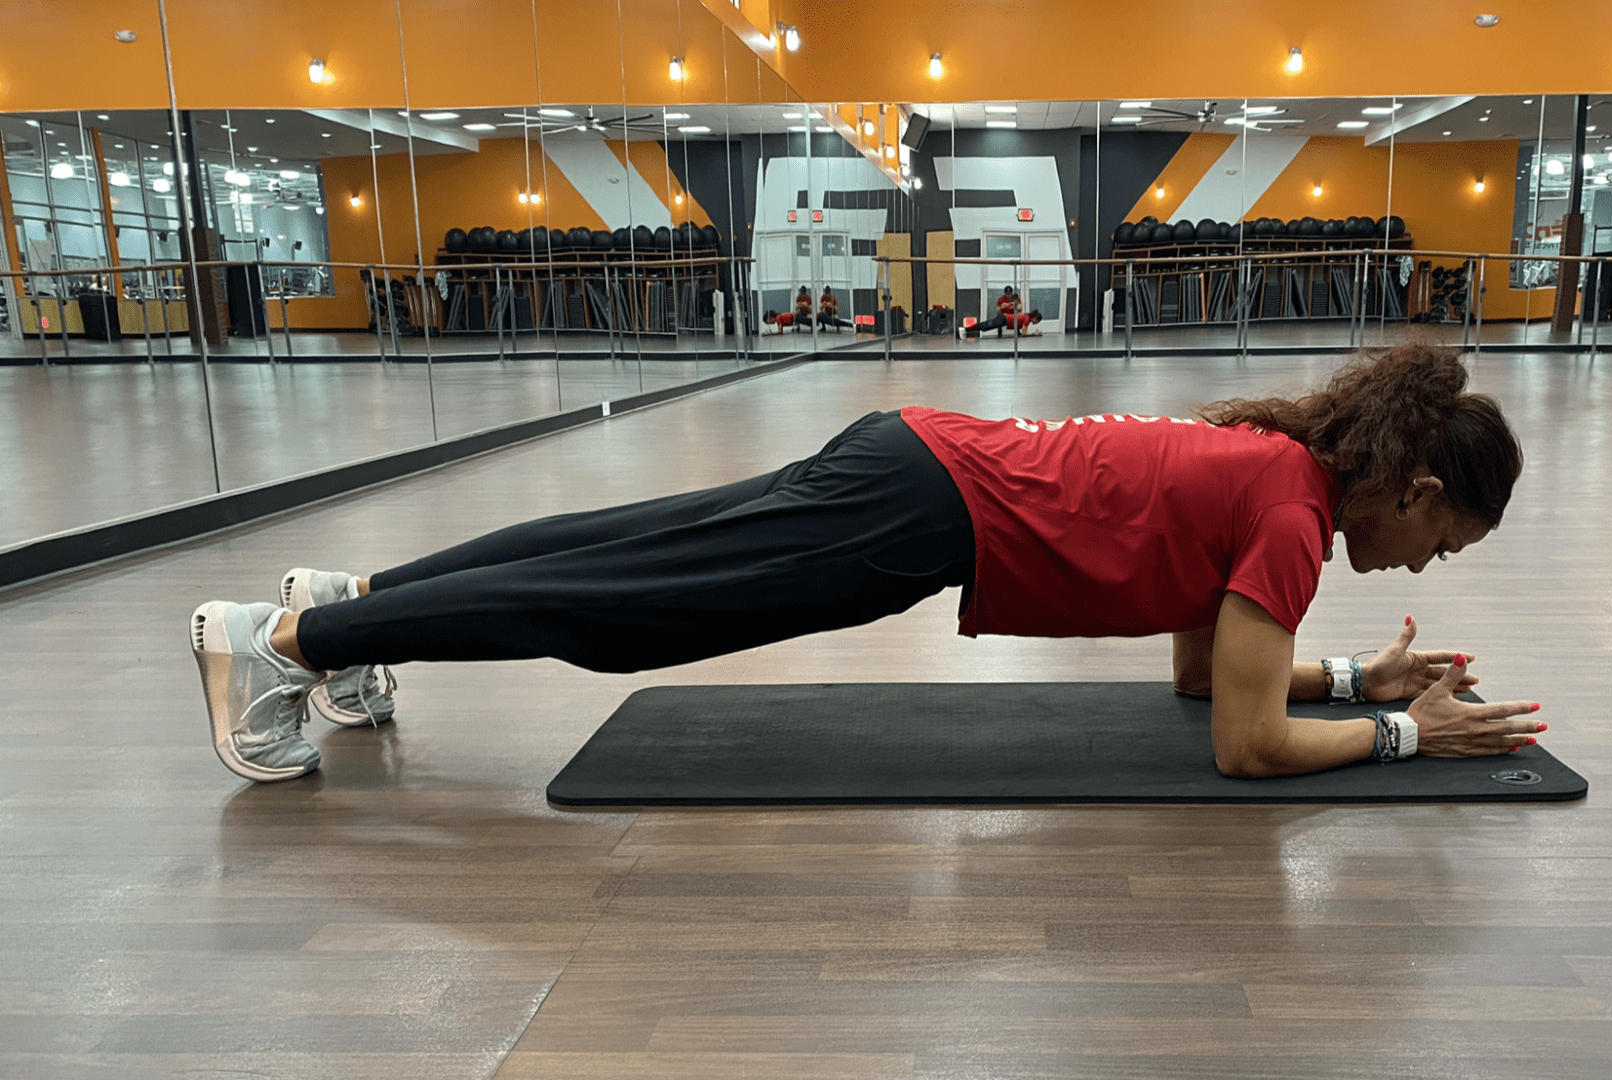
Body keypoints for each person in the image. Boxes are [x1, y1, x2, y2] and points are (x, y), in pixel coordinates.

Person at [188, 343, 1542, 784]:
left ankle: (355, 606)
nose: (1424, 559)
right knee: (627, 605)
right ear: (1417, 490)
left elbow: (1207, 682)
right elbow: (1247, 747)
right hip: (923, 509)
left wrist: (1358, 672)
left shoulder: (1281, 473)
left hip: (917, 463)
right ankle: (283, 645)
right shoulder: (1300, 515)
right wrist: (1400, 734)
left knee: (632, 547)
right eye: (1443, 537)